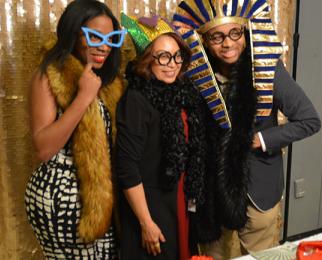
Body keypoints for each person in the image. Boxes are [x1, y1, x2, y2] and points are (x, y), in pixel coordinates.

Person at [173, 0, 321, 258]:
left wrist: (259, 139)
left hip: (258, 189)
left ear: (246, 32)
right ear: (204, 40)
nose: (228, 43)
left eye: (235, 33)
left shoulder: (269, 70)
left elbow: (310, 120)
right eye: (217, 37)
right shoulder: (192, 77)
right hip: (213, 190)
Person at [24, 0, 126, 258]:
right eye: (94, 37)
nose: (103, 47)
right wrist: (83, 99)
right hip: (61, 198)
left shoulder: (106, 81)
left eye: (110, 38)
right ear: (73, 32)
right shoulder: (49, 75)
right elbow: (43, 148)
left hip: (100, 200)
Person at [113, 14, 206, 260]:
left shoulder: (182, 93)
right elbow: (126, 167)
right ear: (146, 61)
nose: (172, 63)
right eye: (163, 56)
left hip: (178, 200)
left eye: (177, 56)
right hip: (151, 205)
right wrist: (146, 222)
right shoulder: (136, 99)